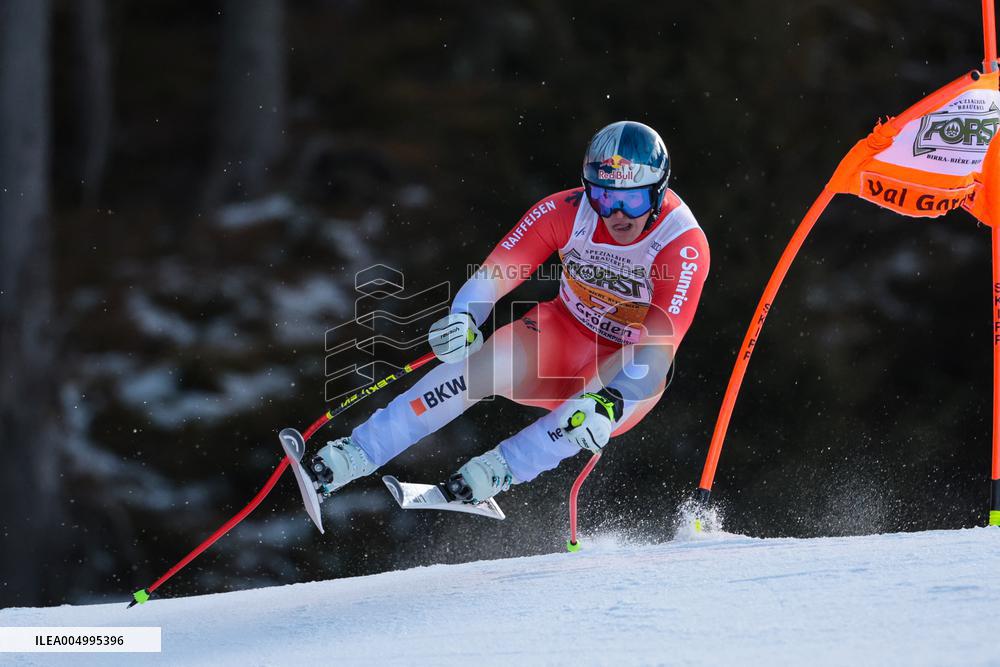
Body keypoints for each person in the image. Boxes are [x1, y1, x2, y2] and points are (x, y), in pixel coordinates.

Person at [307, 120, 710, 505]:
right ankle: (356, 453)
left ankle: (493, 473)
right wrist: (464, 317)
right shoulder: (567, 211)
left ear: (659, 191)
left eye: (633, 200)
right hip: (563, 332)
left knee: (586, 411)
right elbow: (497, 273)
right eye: (604, 197)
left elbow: (660, 346)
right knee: (478, 366)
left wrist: (614, 401)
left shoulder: (682, 244)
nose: (617, 214)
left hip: (629, 363)